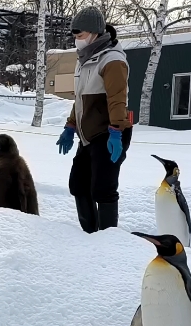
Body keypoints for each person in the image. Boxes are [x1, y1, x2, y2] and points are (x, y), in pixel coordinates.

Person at [56, 6, 133, 233]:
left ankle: (107, 240)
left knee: (103, 189)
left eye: (80, 36)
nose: (77, 40)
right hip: (89, 135)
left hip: (109, 133)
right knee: (78, 184)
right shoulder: (85, 59)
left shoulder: (112, 60)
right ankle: (89, 233)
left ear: (95, 33)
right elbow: (81, 99)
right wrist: (71, 125)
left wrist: (117, 131)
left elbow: (117, 99)